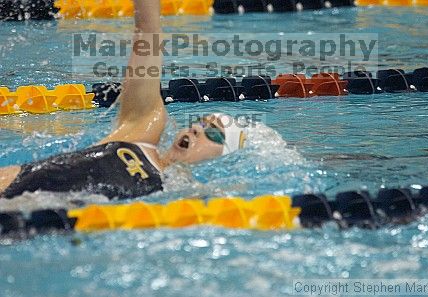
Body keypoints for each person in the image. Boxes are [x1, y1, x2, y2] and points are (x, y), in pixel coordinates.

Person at [0, 0, 247, 200]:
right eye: (201, 124)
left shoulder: (181, 198)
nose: (196, 129)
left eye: (212, 133)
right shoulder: (140, 133)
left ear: (224, 158)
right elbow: (147, 31)